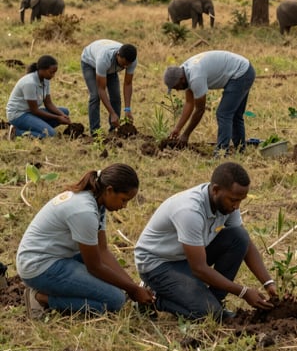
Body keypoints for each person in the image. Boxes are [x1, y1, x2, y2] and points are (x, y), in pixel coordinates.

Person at [134, 162, 277, 320]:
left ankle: (214, 300)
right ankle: (153, 298)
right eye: (234, 200)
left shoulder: (226, 203)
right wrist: (243, 292)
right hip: (158, 264)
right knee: (210, 315)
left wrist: (268, 282)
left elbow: (246, 244)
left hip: (187, 255)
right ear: (215, 190)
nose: (237, 206)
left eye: (240, 201)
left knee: (239, 236)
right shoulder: (190, 211)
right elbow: (199, 268)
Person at [16, 164, 154, 318]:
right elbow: (95, 266)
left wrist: (132, 287)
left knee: (117, 287)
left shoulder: (96, 201)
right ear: (109, 190)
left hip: (58, 256)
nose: (124, 206)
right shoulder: (84, 211)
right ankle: (41, 298)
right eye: (123, 200)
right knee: (115, 300)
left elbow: (102, 251)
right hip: (40, 267)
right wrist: (132, 290)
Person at [163, 51, 256, 155]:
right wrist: (178, 128)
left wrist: (186, 134)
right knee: (235, 115)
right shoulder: (183, 71)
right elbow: (189, 103)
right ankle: (240, 150)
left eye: (176, 87)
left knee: (224, 114)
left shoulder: (195, 77)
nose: (177, 90)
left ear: (181, 79)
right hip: (242, 69)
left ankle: (221, 152)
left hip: (241, 73)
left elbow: (199, 110)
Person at [6, 55, 72, 139]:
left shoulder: (45, 80)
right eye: (51, 72)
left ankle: (37, 127)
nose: (53, 75)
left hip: (30, 112)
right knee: (50, 134)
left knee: (64, 111)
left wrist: (62, 115)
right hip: (19, 115)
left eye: (54, 72)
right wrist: (57, 118)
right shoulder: (29, 83)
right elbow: (35, 110)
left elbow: (48, 103)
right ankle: (16, 132)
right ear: (42, 69)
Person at [80, 39, 138, 134]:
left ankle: (114, 130)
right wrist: (112, 113)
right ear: (118, 55)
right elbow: (101, 89)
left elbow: (128, 83)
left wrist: (127, 109)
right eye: (124, 64)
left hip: (110, 67)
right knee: (95, 96)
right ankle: (95, 132)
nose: (126, 67)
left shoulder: (132, 60)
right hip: (89, 63)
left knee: (115, 97)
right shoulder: (104, 59)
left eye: (128, 65)